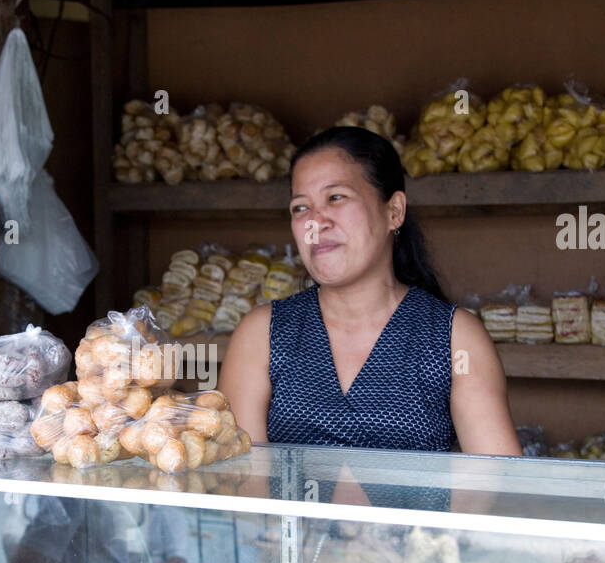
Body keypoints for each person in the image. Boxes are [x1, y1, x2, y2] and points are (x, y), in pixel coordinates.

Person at [219, 126, 520, 456]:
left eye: (336, 198)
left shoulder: (453, 338)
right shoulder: (262, 334)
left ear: (394, 211)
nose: (316, 223)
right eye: (301, 208)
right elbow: (242, 483)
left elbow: (494, 486)